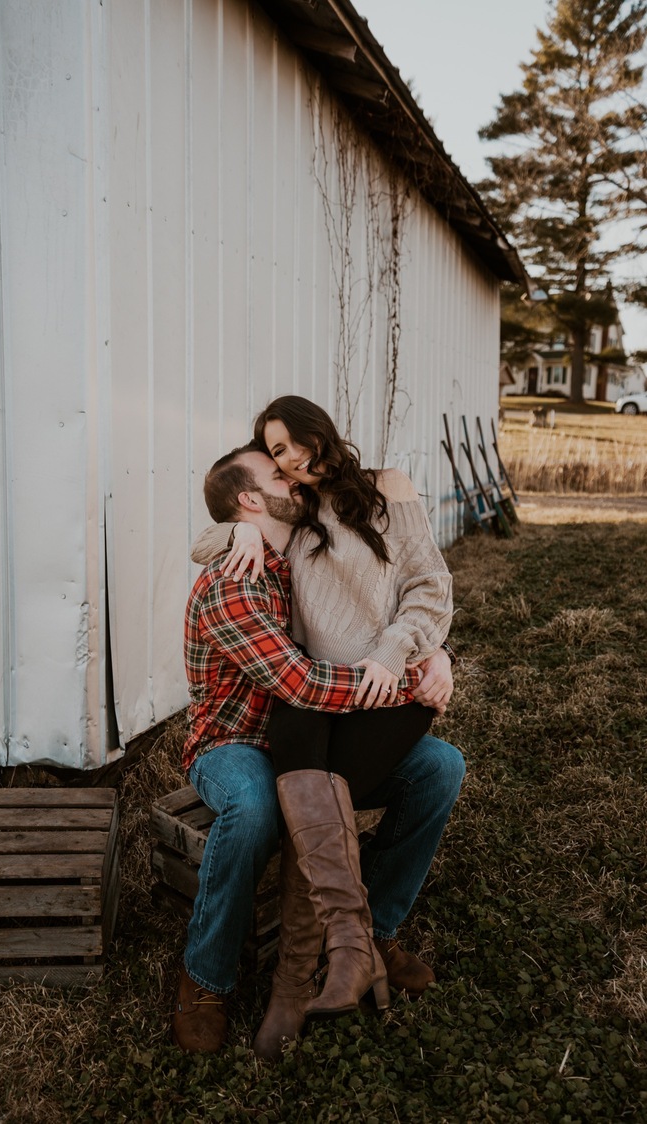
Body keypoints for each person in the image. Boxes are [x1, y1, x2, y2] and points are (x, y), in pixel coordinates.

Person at [177, 431, 464, 1058]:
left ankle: (368, 935)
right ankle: (206, 980)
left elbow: (385, 602)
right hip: (235, 745)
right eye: (279, 479)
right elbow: (300, 683)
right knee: (253, 809)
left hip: (311, 736)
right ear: (252, 501)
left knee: (440, 767)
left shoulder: (302, 553)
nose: (296, 481)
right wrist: (410, 681)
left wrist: (430, 645)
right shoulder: (234, 584)